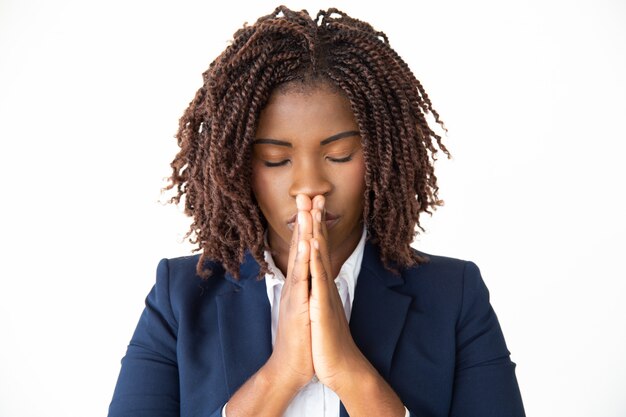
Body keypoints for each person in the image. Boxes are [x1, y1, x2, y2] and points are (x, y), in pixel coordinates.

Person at [108, 5, 525, 417]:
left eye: (340, 155)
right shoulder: (178, 298)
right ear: (236, 165)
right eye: (275, 159)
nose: (309, 185)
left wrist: (350, 372)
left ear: (383, 155)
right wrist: (280, 375)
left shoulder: (455, 296)